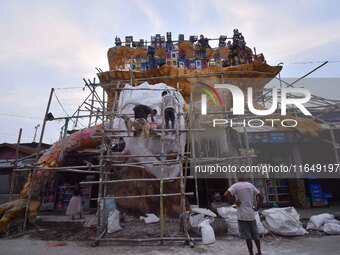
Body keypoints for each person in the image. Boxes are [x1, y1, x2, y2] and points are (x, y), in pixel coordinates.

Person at [224, 178, 264, 255]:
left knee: (247, 237)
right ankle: (259, 252)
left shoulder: (236, 186)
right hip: (251, 214)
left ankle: (251, 253)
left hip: (242, 215)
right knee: (255, 235)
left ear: (238, 177)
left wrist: (234, 202)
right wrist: (258, 208)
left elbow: (226, 194)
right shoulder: (250, 185)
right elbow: (261, 197)